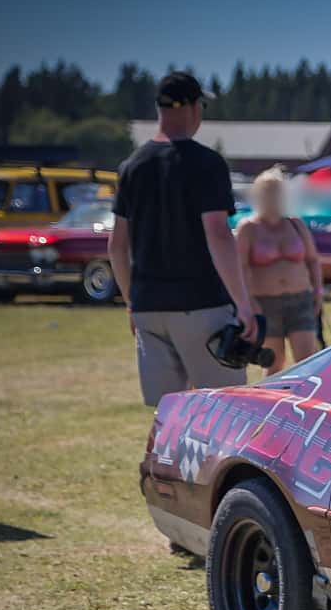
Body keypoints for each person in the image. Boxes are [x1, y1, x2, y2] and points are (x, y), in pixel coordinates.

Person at [108, 71, 257, 406]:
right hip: (201, 305)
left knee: (167, 414)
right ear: (192, 108)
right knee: (224, 407)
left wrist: (133, 301)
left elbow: (117, 245)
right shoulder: (206, 163)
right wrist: (243, 304)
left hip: (149, 309)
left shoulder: (131, 166)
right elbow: (218, 233)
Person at [235, 169, 323, 372]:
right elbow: (241, 268)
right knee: (274, 363)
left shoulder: (295, 224)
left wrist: (318, 292)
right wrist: (249, 301)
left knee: (308, 362)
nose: (272, 196)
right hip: (266, 304)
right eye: (267, 191)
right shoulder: (248, 228)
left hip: (300, 299)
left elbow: (312, 260)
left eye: (276, 191)